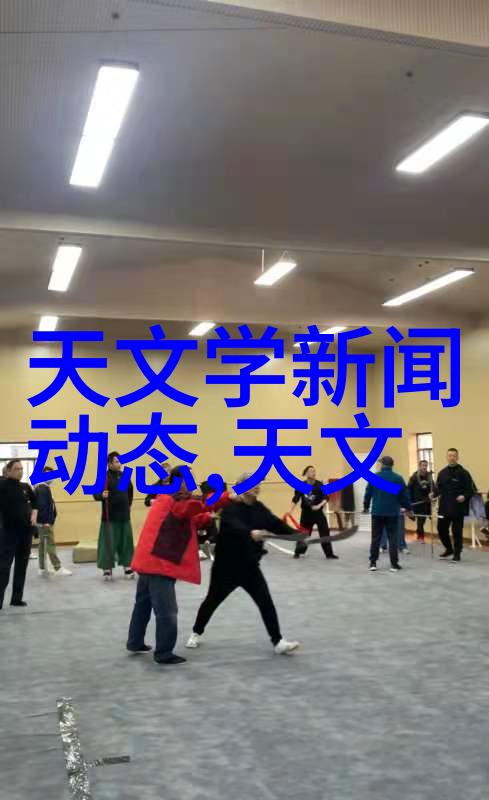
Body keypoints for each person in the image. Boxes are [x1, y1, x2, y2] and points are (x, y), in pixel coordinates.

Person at [186, 474, 300, 655]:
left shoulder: (259, 508)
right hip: (226, 568)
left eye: (258, 484)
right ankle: (196, 632)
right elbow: (234, 526)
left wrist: (296, 535)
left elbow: (276, 523)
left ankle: (278, 641)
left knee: (265, 602)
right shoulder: (230, 509)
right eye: (252, 484)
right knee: (212, 601)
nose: (257, 487)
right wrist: (250, 533)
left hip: (250, 567)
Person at [127, 466, 228, 665]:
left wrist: (208, 517)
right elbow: (194, 506)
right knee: (167, 612)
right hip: (159, 563)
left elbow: (186, 519)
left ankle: (135, 642)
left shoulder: (166, 497)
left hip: (148, 560)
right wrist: (228, 496)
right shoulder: (175, 499)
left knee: (143, 605)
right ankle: (164, 653)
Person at [364, 456, 413, 573]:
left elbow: (368, 493)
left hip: (377, 512)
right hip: (392, 513)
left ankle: (373, 563)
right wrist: (408, 508)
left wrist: (365, 506)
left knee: (376, 538)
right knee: (393, 539)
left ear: (382, 464)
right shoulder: (398, 478)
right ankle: (394, 564)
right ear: (392, 465)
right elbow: (404, 496)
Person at [0, 459, 38, 608]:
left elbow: (35, 502)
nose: (20, 471)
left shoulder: (25, 487)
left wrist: (34, 514)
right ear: (8, 471)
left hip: (25, 532)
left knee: (21, 566)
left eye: (21, 468)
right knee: (4, 567)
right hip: (8, 532)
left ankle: (16, 598)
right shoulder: (2, 485)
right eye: (17, 469)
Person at [94, 452, 134, 580]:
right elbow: (96, 494)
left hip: (124, 516)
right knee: (108, 544)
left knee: (126, 543)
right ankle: (107, 568)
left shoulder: (124, 476)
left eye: (120, 461)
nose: (119, 464)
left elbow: (129, 493)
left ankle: (127, 566)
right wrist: (101, 495)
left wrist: (128, 505)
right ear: (109, 464)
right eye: (116, 462)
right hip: (109, 517)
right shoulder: (104, 477)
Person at [431, 448, 474, 563]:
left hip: (458, 508)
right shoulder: (442, 473)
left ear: (457, 457)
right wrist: (433, 494)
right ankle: (449, 549)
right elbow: (438, 489)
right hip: (444, 507)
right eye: (450, 456)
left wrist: (464, 496)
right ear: (447, 457)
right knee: (441, 529)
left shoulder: (464, 473)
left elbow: (471, 490)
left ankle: (457, 553)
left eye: (454, 456)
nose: (452, 458)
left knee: (457, 532)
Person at [289, 465, 338, 560]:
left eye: (314, 471)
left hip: (318, 514)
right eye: (311, 471)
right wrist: (290, 511)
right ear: (306, 473)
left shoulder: (319, 485)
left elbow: (326, 498)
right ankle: (298, 552)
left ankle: (329, 554)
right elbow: (295, 499)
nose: (313, 473)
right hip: (306, 514)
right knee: (304, 534)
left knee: (325, 533)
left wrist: (319, 506)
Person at [35, 467, 72, 577]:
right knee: (50, 544)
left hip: (44, 522)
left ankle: (42, 568)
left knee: (43, 545)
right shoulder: (42, 488)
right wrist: (45, 521)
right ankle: (57, 567)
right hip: (45, 523)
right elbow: (42, 506)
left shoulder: (43, 488)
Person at [408, 460, 435, 542]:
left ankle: (419, 534)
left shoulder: (429, 477)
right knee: (419, 520)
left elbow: (434, 488)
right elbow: (409, 490)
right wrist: (409, 502)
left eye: (426, 465)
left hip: (425, 503)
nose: (424, 467)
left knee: (422, 520)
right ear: (419, 466)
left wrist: (432, 493)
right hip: (416, 503)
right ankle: (420, 536)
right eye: (423, 465)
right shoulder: (414, 477)